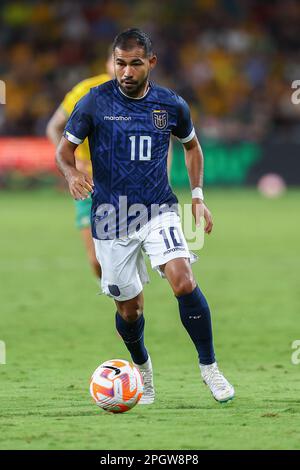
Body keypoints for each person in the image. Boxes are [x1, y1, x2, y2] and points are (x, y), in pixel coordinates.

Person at [56, 28, 234, 404]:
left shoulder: (171, 105)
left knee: (183, 280)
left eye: (135, 63)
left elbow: (193, 148)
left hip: (157, 209)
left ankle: (210, 368)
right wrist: (72, 174)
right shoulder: (92, 102)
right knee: (130, 309)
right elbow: (63, 152)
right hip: (109, 218)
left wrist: (198, 196)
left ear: (150, 63)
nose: (126, 71)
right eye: (120, 63)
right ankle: (143, 371)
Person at [46, 52, 114, 278]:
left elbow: (164, 138)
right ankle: (124, 302)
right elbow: (54, 127)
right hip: (89, 184)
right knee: (96, 261)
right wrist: (71, 166)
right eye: (117, 61)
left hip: (128, 184)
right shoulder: (86, 91)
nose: (124, 69)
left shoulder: (146, 96)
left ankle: (130, 304)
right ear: (107, 64)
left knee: (128, 254)